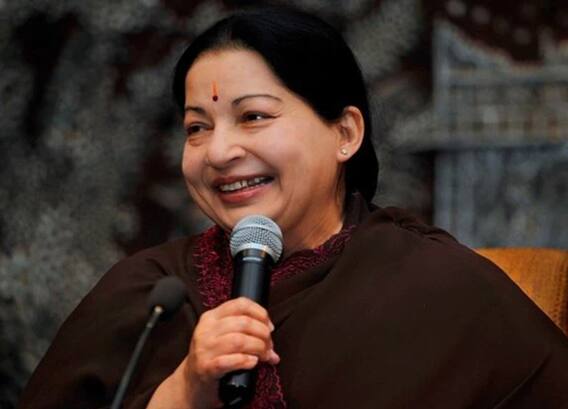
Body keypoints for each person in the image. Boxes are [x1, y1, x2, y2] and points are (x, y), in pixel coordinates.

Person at [18, 6, 568, 409]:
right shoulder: (150, 294)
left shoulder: (437, 287)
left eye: (254, 116)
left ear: (345, 133)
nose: (219, 152)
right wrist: (183, 392)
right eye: (197, 127)